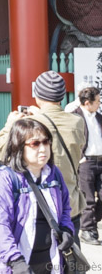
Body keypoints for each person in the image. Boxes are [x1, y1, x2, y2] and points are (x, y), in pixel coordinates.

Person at [0, 70, 86, 241]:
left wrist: (10, 124)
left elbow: (1, 151)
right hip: (70, 205)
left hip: (40, 208)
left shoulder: (30, 124)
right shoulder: (77, 122)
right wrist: (40, 114)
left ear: (37, 94)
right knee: (70, 254)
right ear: (62, 95)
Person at [0, 118, 74, 274]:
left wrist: (67, 229)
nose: (43, 149)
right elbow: (0, 225)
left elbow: (66, 208)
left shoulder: (54, 173)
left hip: (51, 260)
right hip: (18, 264)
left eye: (46, 142)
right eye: (35, 144)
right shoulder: (6, 178)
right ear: (19, 146)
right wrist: (15, 261)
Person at [72, 86, 102, 245]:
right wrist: (79, 158)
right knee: (88, 198)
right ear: (87, 103)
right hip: (86, 162)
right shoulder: (74, 117)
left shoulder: (99, 117)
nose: (99, 103)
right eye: (97, 101)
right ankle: (88, 230)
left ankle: (90, 222)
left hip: (101, 160)